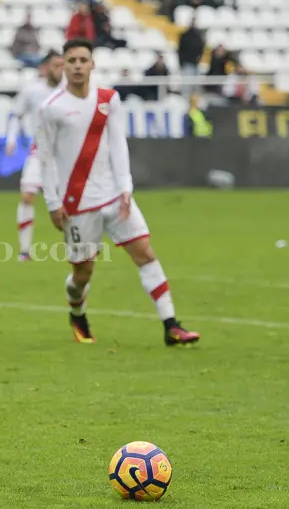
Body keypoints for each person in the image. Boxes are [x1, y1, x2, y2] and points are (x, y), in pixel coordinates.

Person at [37, 38, 200, 347]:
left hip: (114, 196)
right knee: (82, 274)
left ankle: (171, 325)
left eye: (83, 60)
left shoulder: (108, 99)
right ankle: (77, 311)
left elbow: (118, 144)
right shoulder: (52, 108)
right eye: (71, 60)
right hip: (77, 203)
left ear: (92, 64)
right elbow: (44, 158)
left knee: (145, 254)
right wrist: (53, 202)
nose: (77, 66)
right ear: (64, 65)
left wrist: (126, 187)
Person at [5, 50, 64, 261]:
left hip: (66, 155)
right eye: (56, 65)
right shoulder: (32, 91)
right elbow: (16, 114)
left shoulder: (70, 91)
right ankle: (24, 250)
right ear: (46, 67)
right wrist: (11, 139)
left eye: (62, 65)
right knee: (27, 196)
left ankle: (80, 248)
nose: (61, 70)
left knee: (71, 203)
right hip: (39, 152)